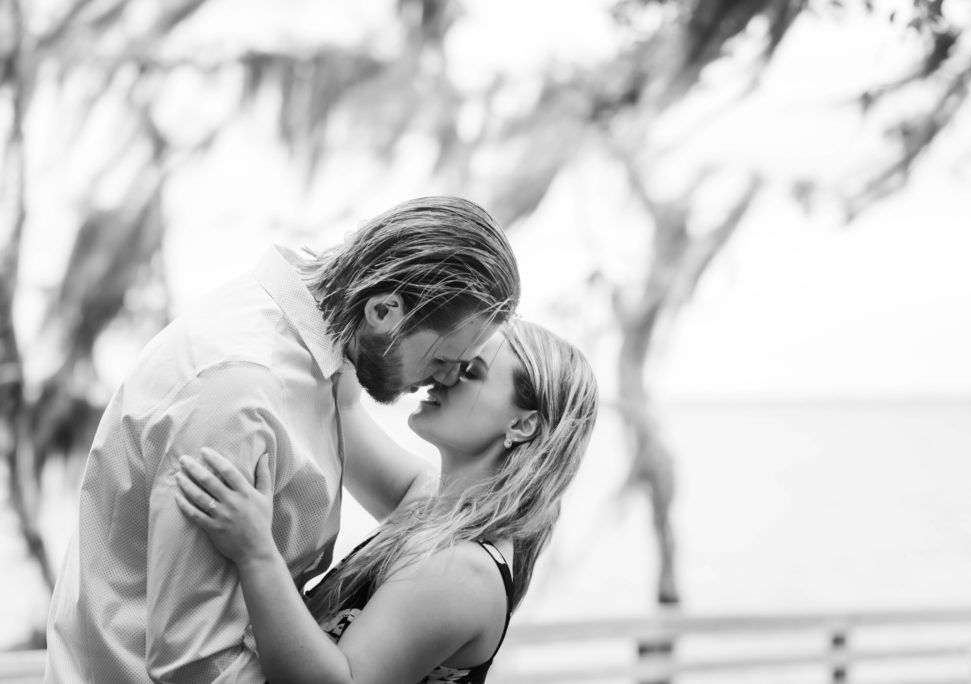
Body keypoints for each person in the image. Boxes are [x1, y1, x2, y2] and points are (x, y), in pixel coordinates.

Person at [45, 196, 521, 683]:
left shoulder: (319, 357)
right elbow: (197, 665)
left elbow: (417, 491)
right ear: (384, 311)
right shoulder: (241, 393)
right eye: (442, 360)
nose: (441, 380)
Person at [173, 320, 598, 684]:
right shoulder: (430, 501)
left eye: (470, 369)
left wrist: (255, 553)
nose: (444, 376)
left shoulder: (465, 571)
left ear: (522, 425)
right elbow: (343, 410)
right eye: (450, 358)